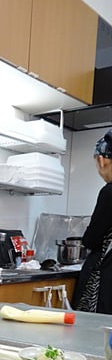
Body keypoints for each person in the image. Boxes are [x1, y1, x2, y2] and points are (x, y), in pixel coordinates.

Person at [72, 130, 112, 314]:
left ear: (102, 160)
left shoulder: (109, 192)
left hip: (106, 279)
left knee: (93, 333)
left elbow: (92, 238)